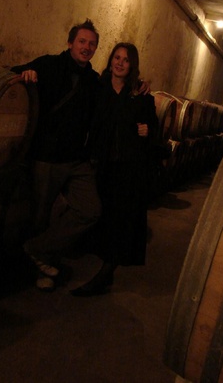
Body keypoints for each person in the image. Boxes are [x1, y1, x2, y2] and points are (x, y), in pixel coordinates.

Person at [11, 19, 102, 291]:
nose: (86, 47)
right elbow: (12, 73)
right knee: (40, 215)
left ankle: (36, 248)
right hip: (47, 156)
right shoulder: (49, 65)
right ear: (70, 42)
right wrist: (26, 73)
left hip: (76, 160)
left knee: (90, 210)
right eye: (82, 41)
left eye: (92, 44)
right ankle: (38, 270)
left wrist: (139, 85)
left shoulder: (94, 80)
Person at [71, 42, 158, 297]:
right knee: (102, 216)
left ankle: (105, 274)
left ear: (132, 65)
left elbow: (154, 127)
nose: (120, 63)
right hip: (101, 166)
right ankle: (100, 266)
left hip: (129, 168)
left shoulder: (140, 95)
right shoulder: (98, 88)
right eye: (117, 57)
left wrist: (148, 130)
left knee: (121, 221)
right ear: (110, 60)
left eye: (126, 60)